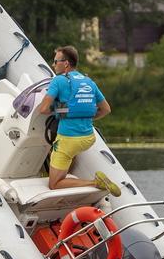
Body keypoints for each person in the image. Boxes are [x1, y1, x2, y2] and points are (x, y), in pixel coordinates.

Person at [38, 46, 121, 196]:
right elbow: (106, 109)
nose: (53, 64)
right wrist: (85, 116)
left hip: (69, 139)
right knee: (71, 153)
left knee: (54, 184)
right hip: (88, 138)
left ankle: (96, 182)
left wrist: (60, 110)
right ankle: (65, 172)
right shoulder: (89, 82)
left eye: (56, 61)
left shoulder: (59, 81)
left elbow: (43, 109)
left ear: (66, 64)